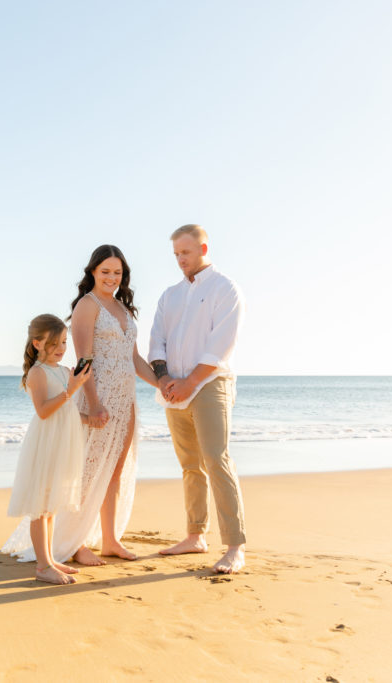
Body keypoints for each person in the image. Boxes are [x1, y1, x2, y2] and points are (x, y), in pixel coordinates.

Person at [149, 225, 247, 574]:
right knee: (190, 465)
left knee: (216, 459)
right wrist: (164, 380)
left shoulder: (225, 288)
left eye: (185, 252)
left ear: (204, 247)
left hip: (209, 384)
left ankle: (235, 546)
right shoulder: (169, 295)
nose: (180, 259)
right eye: (176, 254)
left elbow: (222, 343)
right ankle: (195, 536)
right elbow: (157, 340)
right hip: (173, 388)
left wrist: (191, 381)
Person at [59, 245, 161, 565]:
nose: (112, 278)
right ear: (92, 271)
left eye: (117, 273)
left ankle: (110, 540)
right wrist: (93, 405)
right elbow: (83, 361)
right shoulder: (86, 307)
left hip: (125, 400)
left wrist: (163, 385)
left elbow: (134, 360)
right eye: (105, 272)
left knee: (114, 472)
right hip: (97, 398)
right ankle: (74, 543)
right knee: (88, 472)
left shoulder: (123, 309)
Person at [2, 314, 91, 585]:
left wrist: (90, 419)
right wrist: (72, 388)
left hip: (62, 441)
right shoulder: (37, 373)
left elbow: (66, 411)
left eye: (64, 342)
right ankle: (42, 567)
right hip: (46, 443)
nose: (62, 348)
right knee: (40, 506)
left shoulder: (64, 371)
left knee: (51, 506)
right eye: (55, 343)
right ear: (38, 343)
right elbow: (43, 411)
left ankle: (50, 559)